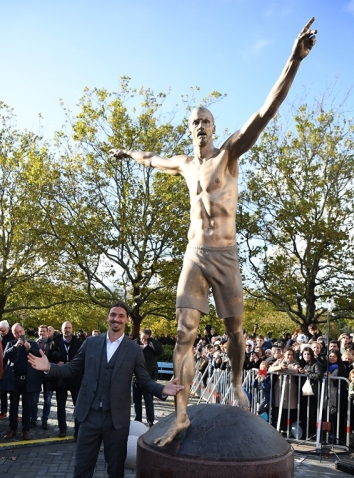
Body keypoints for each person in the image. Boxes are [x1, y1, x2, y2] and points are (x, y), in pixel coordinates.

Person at [111, 19, 317, 445]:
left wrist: (293, 61)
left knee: (234, 331)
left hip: (226, 254)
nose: (201, 125)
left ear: (214, 128)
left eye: (206, 120)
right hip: (195, 254)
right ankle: (181, 414)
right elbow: (151, 158)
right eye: (195, 121)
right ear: (190, 129)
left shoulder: (229, 154)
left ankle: (238, 383)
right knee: (183, 333)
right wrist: (128, 152)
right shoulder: (185, 164)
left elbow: (266, 111)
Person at [28, 302, 184, 478]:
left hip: (116, 421)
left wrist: (162, 389)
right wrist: (49, 368)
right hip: (89, 416)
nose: (116, 319)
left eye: (121, 316)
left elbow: (144, 380)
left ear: (126, 321)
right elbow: (72, 369)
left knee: (115, 474)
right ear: (108, 317)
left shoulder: (133, 350)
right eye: (113, 314)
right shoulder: (91, 343)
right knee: (81, 473)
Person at [1, 323, 42, 440]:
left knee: (27, 406)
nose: (18, 334)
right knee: (13, 406)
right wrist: (15, 346)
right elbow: (5, 355)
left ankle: (26, 430)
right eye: (16, 333)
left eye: (20, 332)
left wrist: (28, 347)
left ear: (24, 331)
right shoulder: (11, 343)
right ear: (13, 334)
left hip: (28, 380)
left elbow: (39, 355)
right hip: (14, 380)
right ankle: (12, 429)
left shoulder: (32, 343)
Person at [49, 321, 83, 438]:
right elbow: (49, 357)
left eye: (69, 328)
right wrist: (56, 361)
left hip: (75, 378)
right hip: (61, 378)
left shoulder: (79, 343)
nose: (67, 330)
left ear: (72, 329)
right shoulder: (55, 342)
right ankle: (62, 429)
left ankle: (78, 431)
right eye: (65, 328)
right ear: (61, 329)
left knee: (78, 406)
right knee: (61, 406)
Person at [133, 328, 163, 427]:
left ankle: (150, 421)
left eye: (146, 339)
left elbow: (160, 351)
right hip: (136, 378)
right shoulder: (135, 344)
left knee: (149, 402)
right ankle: (138, 421)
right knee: (136, 402)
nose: (143, 340)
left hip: (149, 379)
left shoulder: (153, 345)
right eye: (142, 338)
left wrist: (151, 341)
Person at [30, 325, 53, 430]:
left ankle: (45, 420)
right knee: (34, 400)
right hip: (36, 374)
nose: (42, 333)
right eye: (40, 331)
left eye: (44, 331)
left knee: (47, 400)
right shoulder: (33, 344)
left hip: (48, 375)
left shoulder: (52, 343)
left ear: (47, 332)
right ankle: (33, 419)